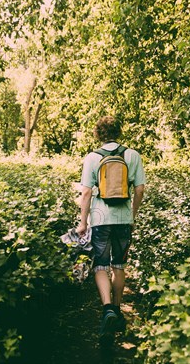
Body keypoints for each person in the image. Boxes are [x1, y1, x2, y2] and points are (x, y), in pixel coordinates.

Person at [76, 116, 146, 346]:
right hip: (123, 219)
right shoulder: (133, 155)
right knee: (119, 265)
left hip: (100, 220)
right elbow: (140, 189)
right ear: (119, 131)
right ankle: (117, 308)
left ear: (98, 134)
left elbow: (86, 193)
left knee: (100, 265)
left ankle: (107, 310)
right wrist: (132, 214)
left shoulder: (92, 158)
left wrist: (82, 222)